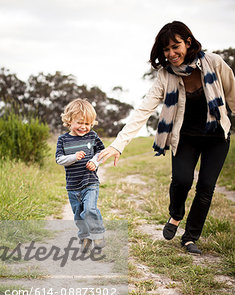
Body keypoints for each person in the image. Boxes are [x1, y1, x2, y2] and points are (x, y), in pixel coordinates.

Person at [98, 21, 235, 255]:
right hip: (185, 138)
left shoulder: (214, 63)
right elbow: (143, 110)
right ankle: (176, 214)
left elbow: (233, 95)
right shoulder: (165, 76)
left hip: (215, 137)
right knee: (181, 180)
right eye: (166, 49)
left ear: (188, 42)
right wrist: (118, 145)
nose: (171, 54)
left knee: (206, 188)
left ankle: (190, 237)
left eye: (175, 46)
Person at [56, 98, 105, 252]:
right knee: (78, 215)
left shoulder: (92, 136)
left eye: (88, 124)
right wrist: (73, 157)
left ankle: (98, 234)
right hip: (72, 186)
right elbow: (59, 159)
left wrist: (95, 162)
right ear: (69, 120)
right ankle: (84, 237)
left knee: (89, 209)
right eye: (80, 123)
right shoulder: (63, 140)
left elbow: (101, 152)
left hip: (90, 182)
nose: (84, 127)